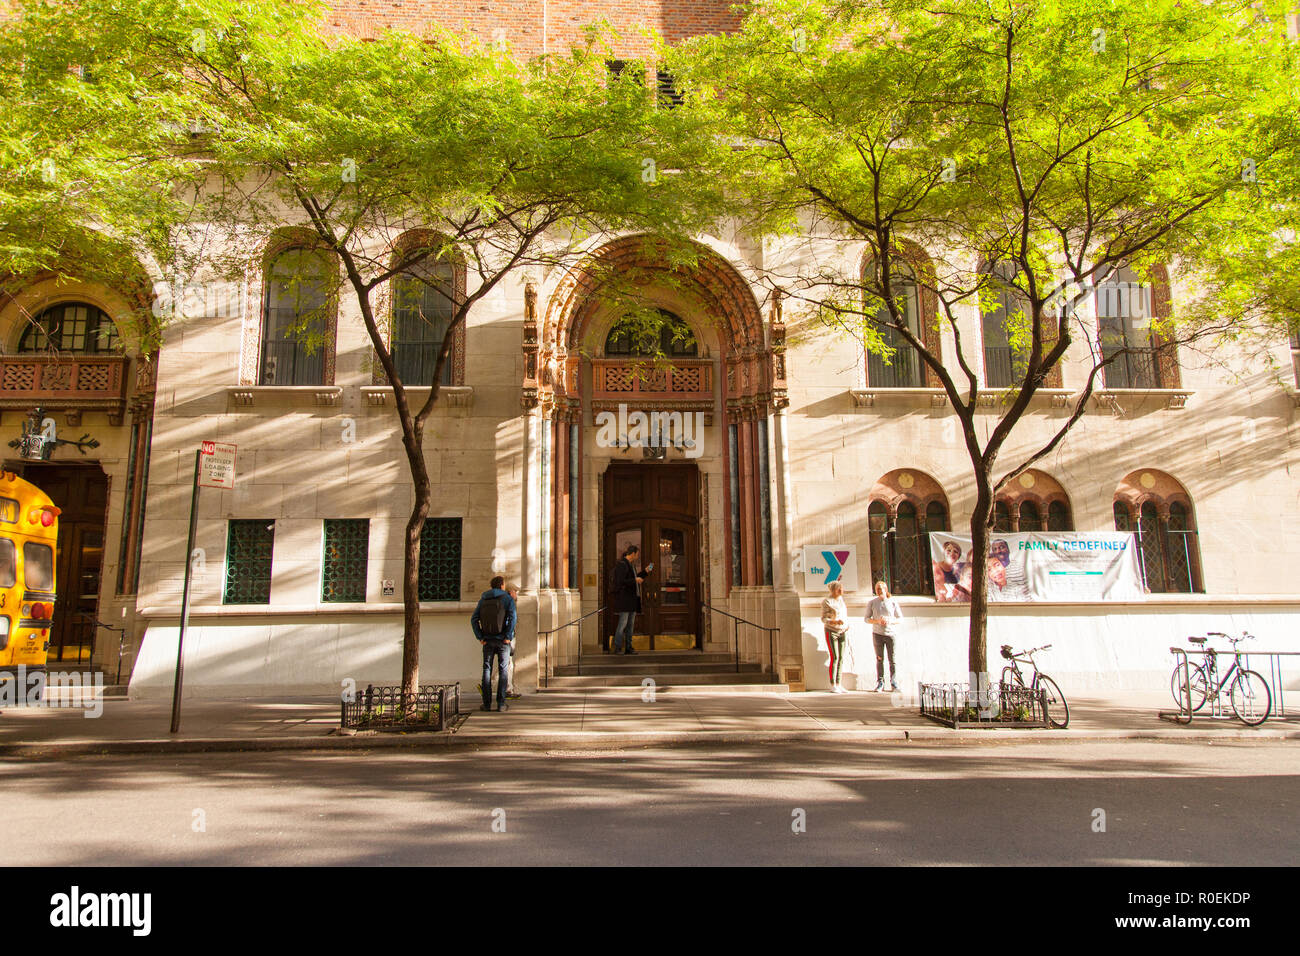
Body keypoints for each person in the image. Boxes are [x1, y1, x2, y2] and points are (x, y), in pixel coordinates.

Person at [471, 574, 517, 712]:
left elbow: (474, 619)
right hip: (503, 640)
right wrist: (508, 636)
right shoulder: (507, 598)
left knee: (486, 670)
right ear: (502, 585)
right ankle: (501, 703)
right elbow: (513, 617)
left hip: (487, 640)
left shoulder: (483, 598)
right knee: (503, 670)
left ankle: (486, 704)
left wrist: (480, 637)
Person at [609, 544, 651, 655]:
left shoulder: (630, 565)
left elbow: (633, 579)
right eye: (637, 554)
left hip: (632, 600)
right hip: (625, 600)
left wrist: (645, 572)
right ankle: (617, 647)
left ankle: (628, 647)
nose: (637, 557)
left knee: (630, 625)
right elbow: (621, 581)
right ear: (632, 553)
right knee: (623, 623)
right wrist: (635, 580)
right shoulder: (622, 564)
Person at [865, 579, 903, 692]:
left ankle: (894, 682)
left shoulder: (892, 602)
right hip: (878, 634)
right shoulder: (872, 603)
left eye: (881, 589)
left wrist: (890, 621)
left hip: (890, 634)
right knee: (879, 658)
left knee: (892, 659)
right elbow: (866, 619)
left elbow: (900, 618)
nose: (879, 591)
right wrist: (877, 621)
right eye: (877, 589)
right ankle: (880, 681)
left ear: (886, 589)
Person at [820, 580, 850, 693]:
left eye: (842, 588)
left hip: (843, 631)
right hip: (831, 631)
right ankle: (833, 684)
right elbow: (823, 618)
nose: (841, 590)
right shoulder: (827, 602)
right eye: (839, 588)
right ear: (833, 590)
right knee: (835, 657)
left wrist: (846, 625)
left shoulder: (841, 601)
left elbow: (844, 615)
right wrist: (834, 622)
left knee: (841, 658)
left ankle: (839, 683)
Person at [505, 583, 522, 699]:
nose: (517, 595)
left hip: (502, 637)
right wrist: (508, 636)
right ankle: (507, 689)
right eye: (516, 592)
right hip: (507, 638)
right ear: (511, 592)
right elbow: (511, 620)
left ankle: (489, 685)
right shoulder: (509, 604)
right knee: (507, 663)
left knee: (506, 663)